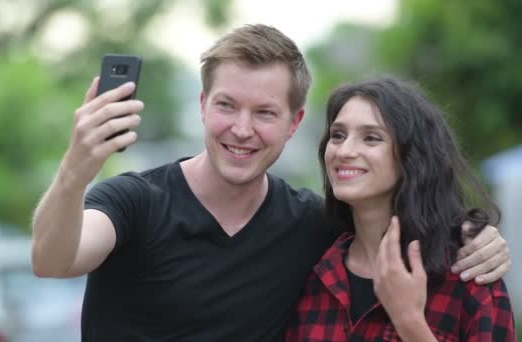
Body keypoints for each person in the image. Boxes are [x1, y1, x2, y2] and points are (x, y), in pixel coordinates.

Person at [31, 25, 511, 341]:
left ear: (294, 122)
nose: (242, 129)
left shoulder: (311, 227)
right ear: (202, 105)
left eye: (264, 113)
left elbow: (397, 221)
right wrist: (77, 167)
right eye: (226, 106)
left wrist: (475, 238)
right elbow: (53, 260)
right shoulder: (134, 201)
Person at [285, 78, 515, 341]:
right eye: (338, 135)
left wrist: (409, 321)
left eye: (371, 138)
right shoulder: (314, 274)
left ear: (412, 156)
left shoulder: (468, 271)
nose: (344, 150)